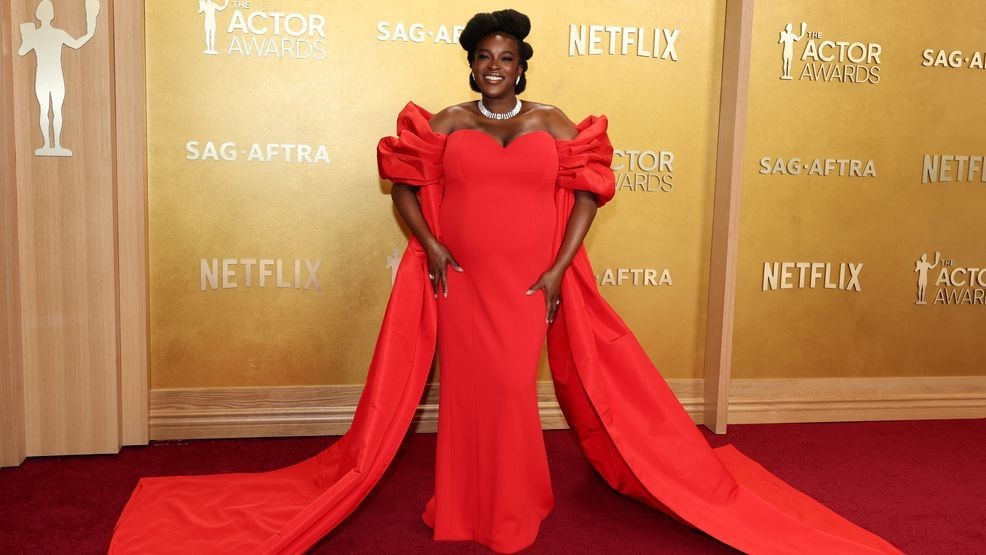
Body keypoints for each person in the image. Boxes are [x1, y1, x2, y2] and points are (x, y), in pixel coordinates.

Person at [109, 9, 903, 554]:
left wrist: (559, 267)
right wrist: (430, 247)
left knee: (513, 390)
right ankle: (460, 506)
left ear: (524, 64)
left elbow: (590, 190)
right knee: (469, 392)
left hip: (528, 278)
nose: (495, 68)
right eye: (484, 58)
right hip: (462, 276)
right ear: (472, 64)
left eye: (507, 58)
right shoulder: (444, 123)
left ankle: (517, 507)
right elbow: (406, 185)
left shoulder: (555, 122)